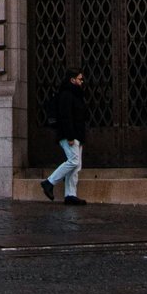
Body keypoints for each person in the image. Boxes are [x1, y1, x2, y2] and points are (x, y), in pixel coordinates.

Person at [41, 68, 88, 203]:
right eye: (80, 79)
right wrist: (70, 136)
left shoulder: (76, 94)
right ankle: (49, 182)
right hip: (69, 135)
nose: (82, 81)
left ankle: (70, 195)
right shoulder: (66, 94)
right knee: (73, 161)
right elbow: (65, 117)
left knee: (76, 165)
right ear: (72, 80)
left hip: (76, 135)